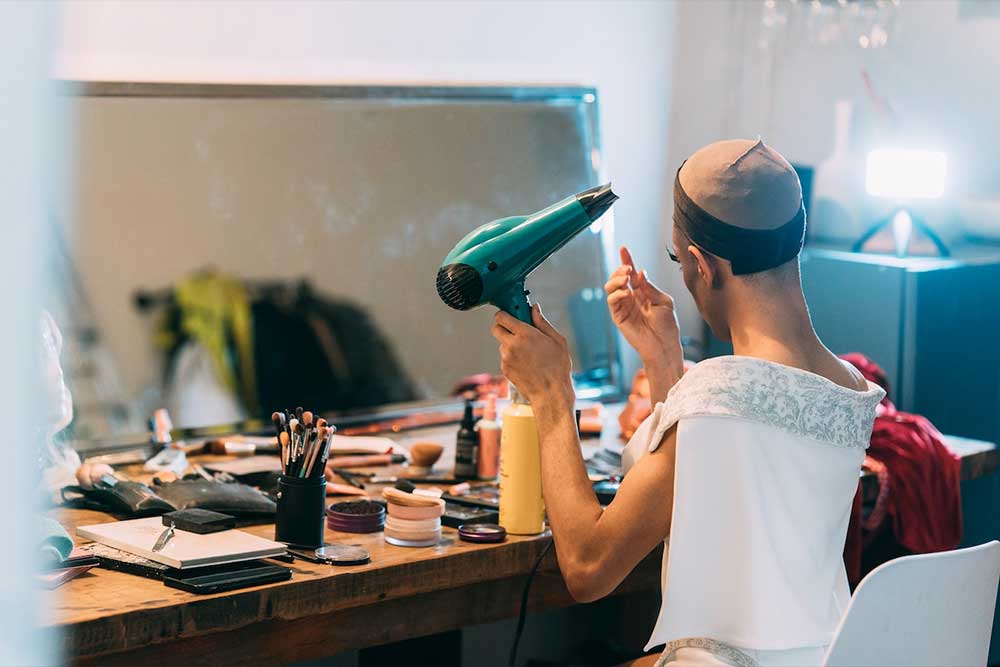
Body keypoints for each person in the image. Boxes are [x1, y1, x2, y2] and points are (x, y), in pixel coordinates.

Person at [491, 139, 885, 667]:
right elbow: (712, 480)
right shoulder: (851, 388)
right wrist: (663, 360)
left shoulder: (722, 392)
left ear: (703, 264)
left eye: (679, 259)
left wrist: (552, 397)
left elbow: (588, 568)